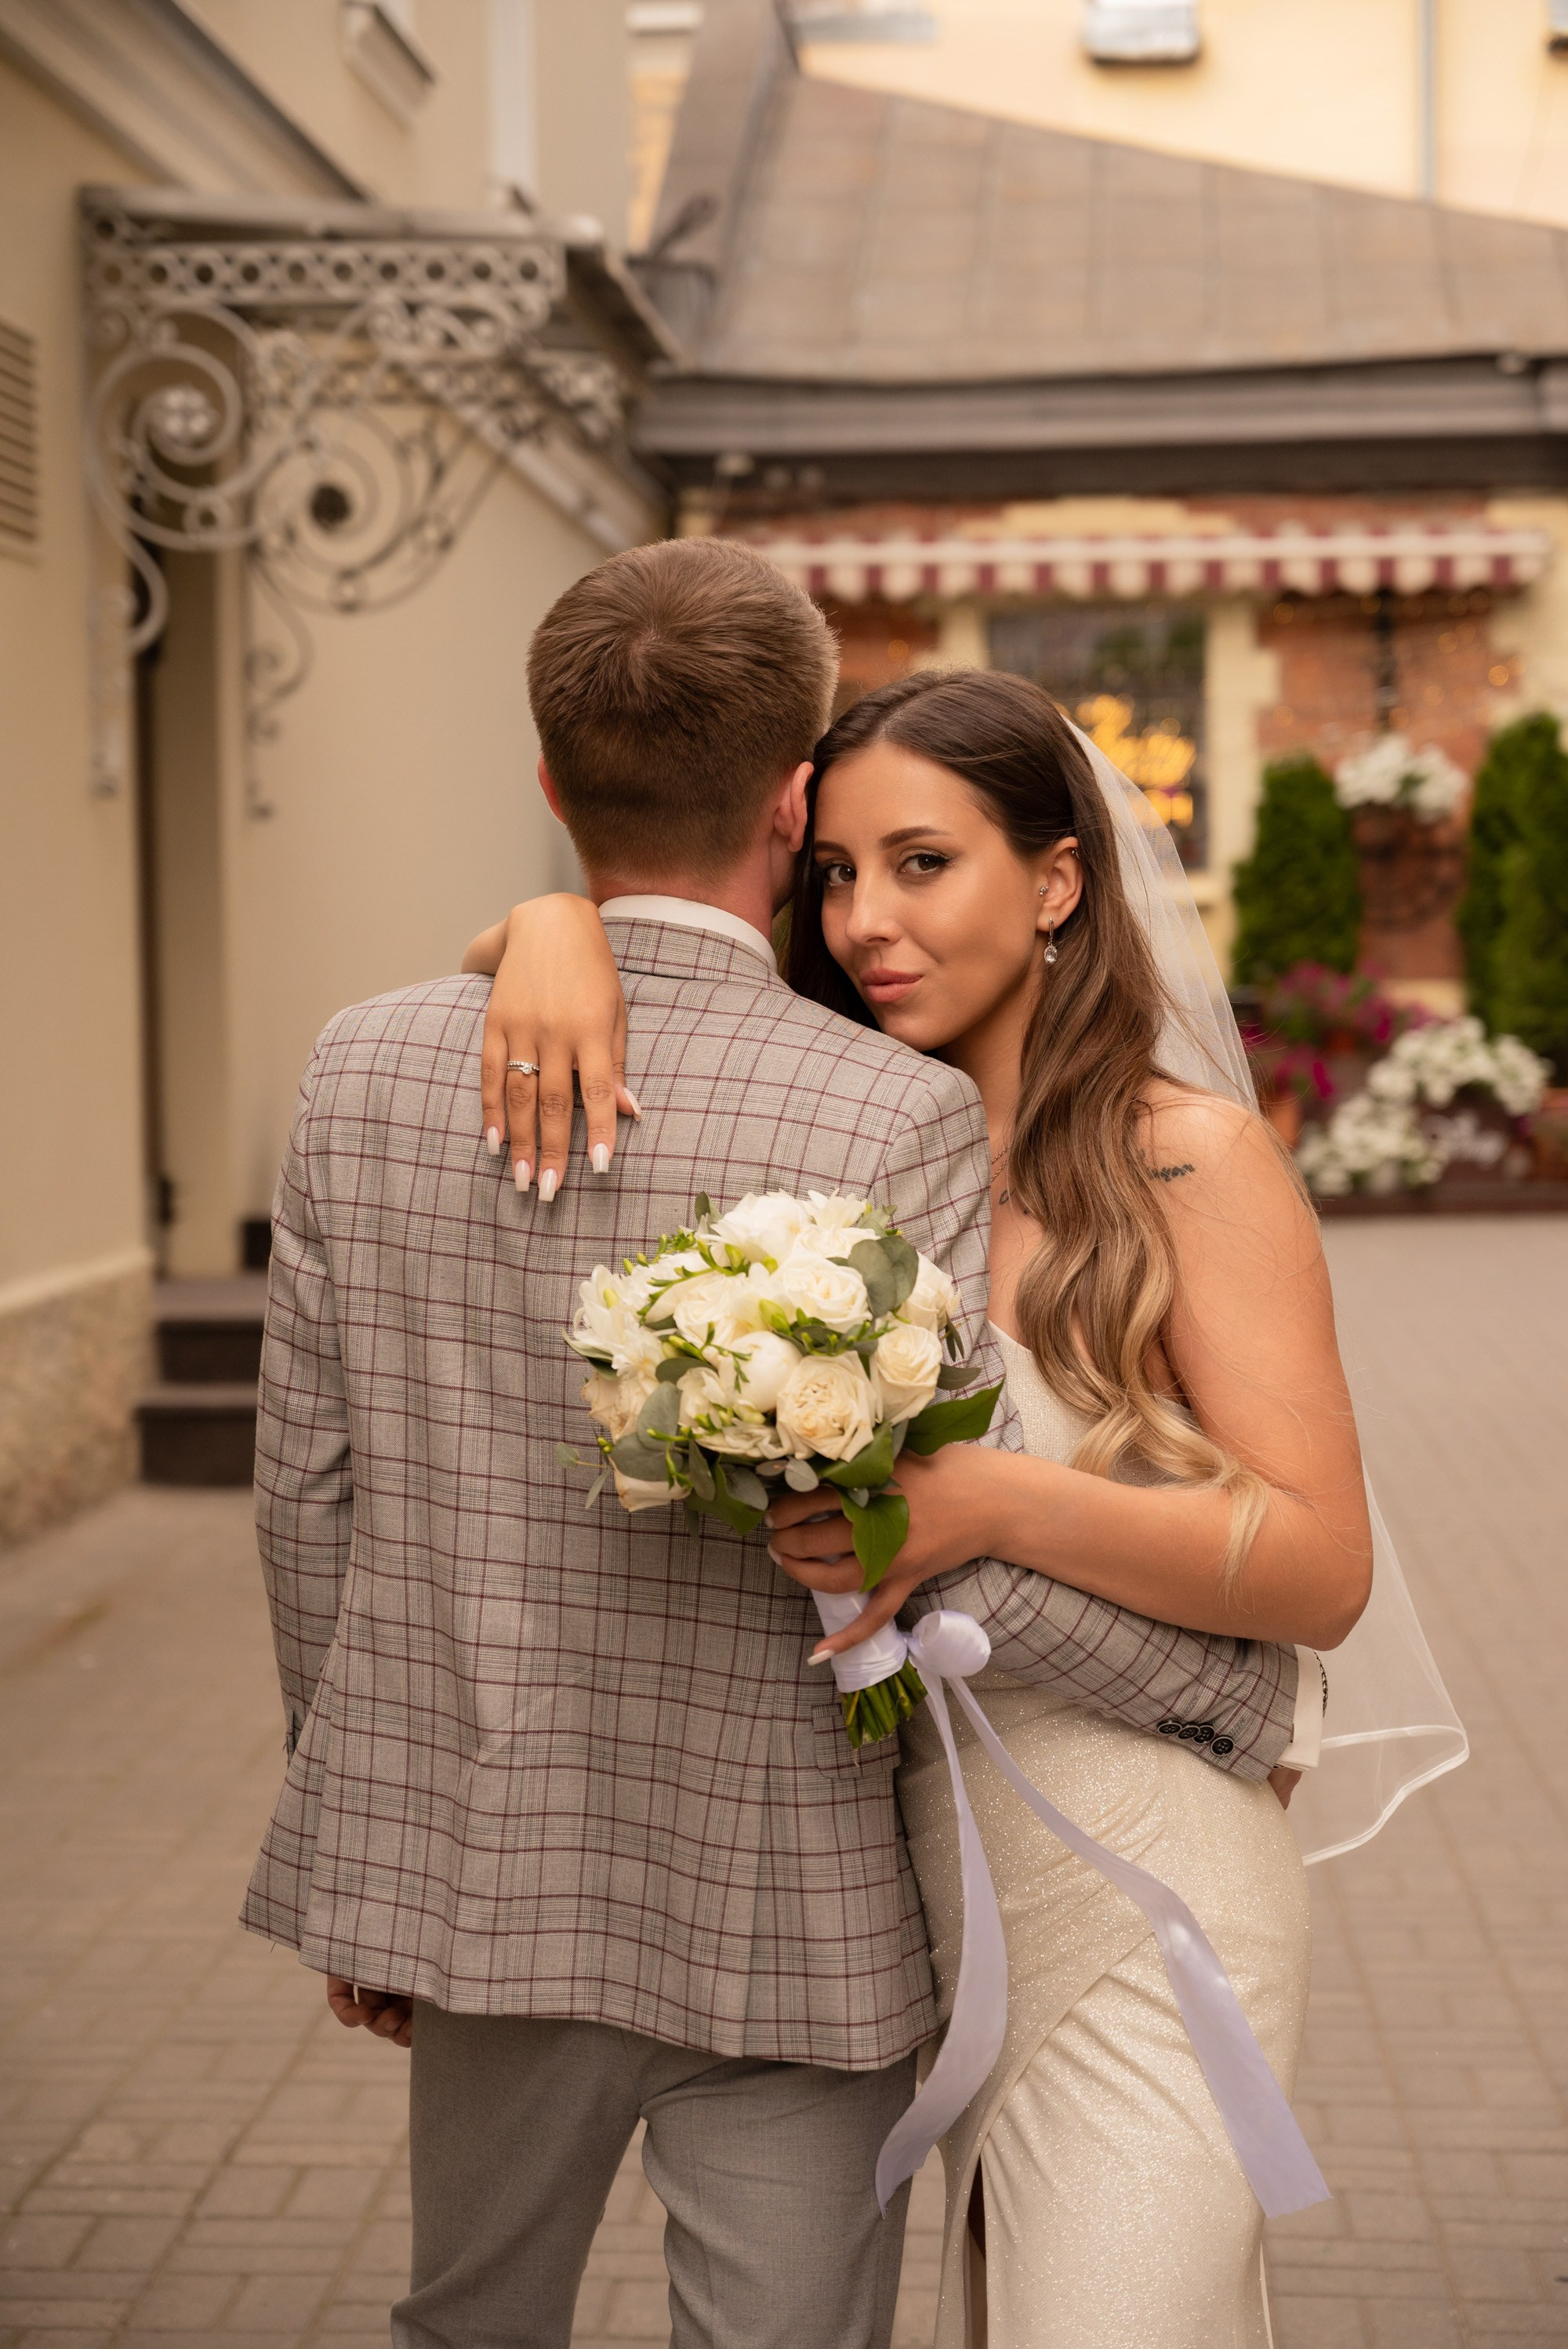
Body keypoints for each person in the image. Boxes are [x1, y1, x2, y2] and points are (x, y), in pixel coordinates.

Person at [242, 539, 1316, 2349]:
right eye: (848, 860)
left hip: (480, 1871)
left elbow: (308, 1495)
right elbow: (911, 1534)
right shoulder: (883, 1101)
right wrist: (1220, 1699)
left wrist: (366, 1841)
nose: (872, 908)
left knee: (465, 2321)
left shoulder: (357, 1067)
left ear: (544, 781)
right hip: (797, 1901)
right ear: (796, 794)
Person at [464, 662, 1458, 2348]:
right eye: (835, 871)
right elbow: (605, 964)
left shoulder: (1180, 1158)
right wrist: (544, 928)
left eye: (923, 863)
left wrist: (988, 1498)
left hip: (1145, 1865)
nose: (864, 919)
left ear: (1057, 878)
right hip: (929, 1879)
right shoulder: (847, 1146)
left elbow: (1318, 1564)